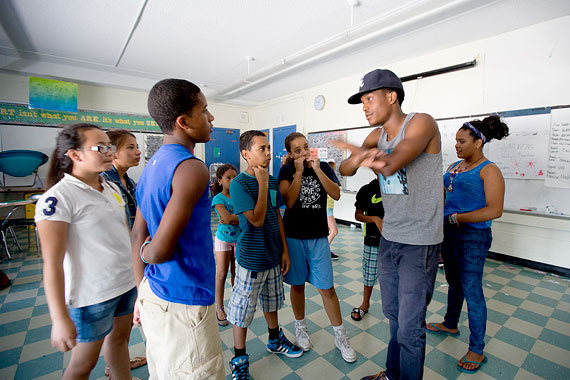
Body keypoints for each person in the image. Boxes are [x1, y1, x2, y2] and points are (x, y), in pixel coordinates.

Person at [338, 68, 443, 380]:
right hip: (390, 236)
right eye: (362, 102)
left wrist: (366, 155)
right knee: (394, 316)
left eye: (369, 99)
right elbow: (345, 167)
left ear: (392, 96)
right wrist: (360, 155)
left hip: (420, 240)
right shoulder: (376, 136)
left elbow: (393, 162)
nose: (365, 107)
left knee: (411, 328)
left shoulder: (420, 122)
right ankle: (393, 373)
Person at [130, 79, 224, 379]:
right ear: (183, 122)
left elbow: (136, 235)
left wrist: (140, 292)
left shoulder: (153, 165)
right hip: (185, 301)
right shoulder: (191, 168)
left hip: (154, 292)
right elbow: (157, 250)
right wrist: (149, 249)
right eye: (204, 110)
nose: (211, 118)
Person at [35, 123, 138, 380]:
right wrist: (59, 318)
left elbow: (125, 238)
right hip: (92, 296)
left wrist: (138, 280)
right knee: (83, 364)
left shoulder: (111, 188)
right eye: (100, 147)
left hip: (124, 285)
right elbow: (53, 263)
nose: (109, 152)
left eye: (110, 146)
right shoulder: (58, 198)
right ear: (74, 154)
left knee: (119, 343)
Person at [426, 116, 509, 374]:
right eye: (456, 141)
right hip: (449, 235)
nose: (457, 146)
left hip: (473, 237)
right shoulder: (454, 166)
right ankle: (451, 323)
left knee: (472, 290)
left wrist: (456, 217)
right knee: (454, 282)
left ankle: (477, 348)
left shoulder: (489, 170)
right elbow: (441, 196)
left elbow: (495, 210)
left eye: (462, 141)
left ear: (478, 142)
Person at [228, 130, 302, 380]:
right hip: (251, 259)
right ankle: (239, 357)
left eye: (269, 148)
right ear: (246, 154)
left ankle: (274, 340)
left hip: (272, 255)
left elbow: (275, 215)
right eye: (262, 149)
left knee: (272, 303)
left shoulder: (271, 181)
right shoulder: (239, 184)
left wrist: (284, 250)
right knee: (243, 310)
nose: (268, 153)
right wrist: (260, 183)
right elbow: (257, 220)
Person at [278, 132, 356, 363]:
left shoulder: (324, 168)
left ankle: (340, 336)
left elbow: (336, 194)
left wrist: (319, 170)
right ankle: (301, 329)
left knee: (327, 288)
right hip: (294, 237)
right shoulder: (286, 171)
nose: (304, 153)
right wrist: (300, 172)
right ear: (290, 154)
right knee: (298, 286)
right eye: (298, 150)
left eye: (306, 147)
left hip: (318, 236)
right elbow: (289, 202)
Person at [100, 130, 147, 377]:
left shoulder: (127, 181)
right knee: (114, 327)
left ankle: (119, 361)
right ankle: (114, 364)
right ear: (113, 152)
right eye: (130, 147)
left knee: (124, 321)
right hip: (114, 264)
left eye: (137, 146)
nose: (137, 151)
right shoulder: (104, 182)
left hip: (129, 261)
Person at [211, 163, 240, 326]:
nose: (232, 180)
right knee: (222, 274)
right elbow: (227, 219)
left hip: (239, 240)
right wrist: (239, 216)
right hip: (223, 240)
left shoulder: (239, 195)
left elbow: (230, 218)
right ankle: (219, 307)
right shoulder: (218, 198)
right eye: (228, 178)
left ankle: (236, 303)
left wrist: (231, 217)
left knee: (237, 274)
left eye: (235, 177)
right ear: (220, 181)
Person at [351, 178, 384, 322]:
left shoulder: (400, 187)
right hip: (373, 240)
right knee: (370, 272)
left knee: (397, 275)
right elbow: (358, 215)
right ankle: (365, 303)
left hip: (398, 240)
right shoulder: (367, 189)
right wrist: (375, 219)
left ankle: (399, 307)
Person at [326, 160, 340, 260]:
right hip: (326, 210)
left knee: (326, 232)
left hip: (328, 209)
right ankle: (324, 251)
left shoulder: (331, 181)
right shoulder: (326, 181)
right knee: (334, 231)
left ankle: (326, 249)